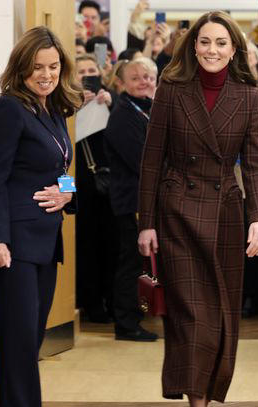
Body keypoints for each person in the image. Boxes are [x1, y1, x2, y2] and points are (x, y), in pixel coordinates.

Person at [137, 11, 258, 407]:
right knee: (191, 318)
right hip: (177, 213)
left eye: (221, 43)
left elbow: (257, 165)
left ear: (234, 50)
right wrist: (146, 222)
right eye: (206, 42)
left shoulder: (248, 95)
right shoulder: (171, 90)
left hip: (226, 215)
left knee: (220, 318)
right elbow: (151, 161)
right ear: (193, 46)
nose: (213, 50)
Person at [0, 26, 81, 407]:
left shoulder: (53, 109)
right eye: (37, 67)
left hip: (45, 241)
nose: (46, 74)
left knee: (29, 342)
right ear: (21, 69)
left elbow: (62, 165)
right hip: (14, 246)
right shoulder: (7, 110)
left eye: (53, 66)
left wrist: (67, 193)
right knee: (19, 345)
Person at [104, 58, 159, 342]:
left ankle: (139, 316)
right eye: (136, 77)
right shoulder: (124, 115)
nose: (144, 81)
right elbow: (143, 162)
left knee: (145, 263)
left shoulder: (149, 110)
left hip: (148, 200)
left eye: (149, 76)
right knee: (133, 263)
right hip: (133, 202)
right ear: (121, 84)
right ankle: (126, 323)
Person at [74, 53, 117, 324]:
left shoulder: (113, 101)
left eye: (92, 70)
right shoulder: (65, 103)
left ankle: (112, 299)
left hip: (110, 184)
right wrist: (76, 108)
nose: (87, 75)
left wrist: (112, 106)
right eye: (82, 72)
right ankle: (90, 303)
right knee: (86, 246)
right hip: (79, 185)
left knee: (112, 246)